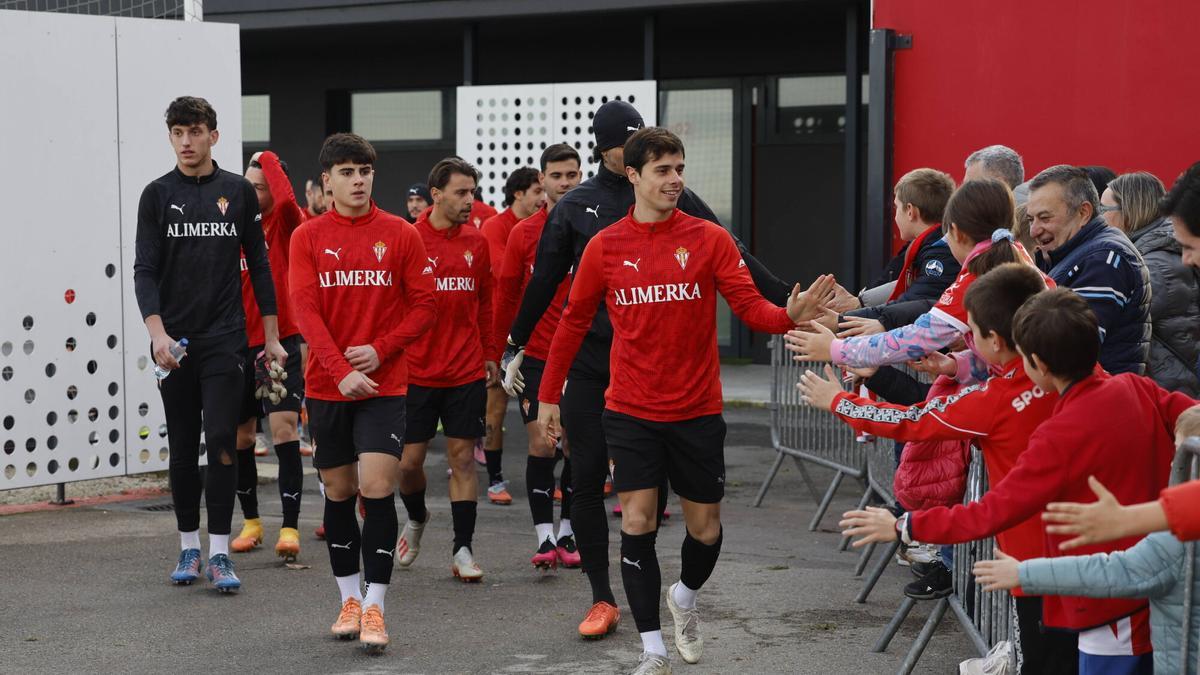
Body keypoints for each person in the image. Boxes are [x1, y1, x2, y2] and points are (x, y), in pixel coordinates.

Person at [538, 127, 831, 675]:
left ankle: (686, 598)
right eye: (663, 171)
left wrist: (789, 314)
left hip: (696, 410)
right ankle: (651, 651)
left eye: (680, 169)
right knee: (638, 521)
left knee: (705, 530)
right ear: (634, 176)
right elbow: (572, 322)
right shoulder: (606, 246)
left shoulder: (708, 239)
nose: (675, 180)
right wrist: (548, 395)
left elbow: (749, 308)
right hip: (628, 409)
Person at [839, 289, 1197, 674]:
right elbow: (1187, 415)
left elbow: (992, 510)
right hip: (1155, 581)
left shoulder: (1056, 433)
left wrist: (902, 524)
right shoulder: (1134, 386)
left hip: (1101, 602)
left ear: (1038, 364)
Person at [799, 263, 1077, 672]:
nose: (964, 344)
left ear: (996, 341)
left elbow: (914, 421)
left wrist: (838, 401)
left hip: (1032, 563)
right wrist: (956, 367)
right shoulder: (1087, 380)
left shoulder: (996, 400)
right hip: (1090, 556)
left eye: (971, 335)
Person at [289, 132, 437, 652]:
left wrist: (379, 349)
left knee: (376, 487)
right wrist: (337, 368)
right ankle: (348, 598)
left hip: (384, 385)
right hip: (329, 387)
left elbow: (423, 307)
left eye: (364, 171)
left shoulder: (401, 234)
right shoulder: (306, 238)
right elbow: (304, 311)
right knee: (338, 491)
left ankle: (375, 606)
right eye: (347, 172)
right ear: (327, 181)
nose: (357, 180)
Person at [134, 96, 282, 592]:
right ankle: (189, 547)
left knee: (221, 441)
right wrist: (156, 333)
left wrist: (274, 336)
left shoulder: (237, 192)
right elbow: (145, 271)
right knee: (181, 448)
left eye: (195, 132)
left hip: (226, 341)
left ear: (213, 136)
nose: (186, 142)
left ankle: (220, 554)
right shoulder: (156, 195)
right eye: (178, 132)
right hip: (174, 343)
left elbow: (259, 265)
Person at [787, 179, 1043, 371]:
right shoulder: (1016, 253)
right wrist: (957, 367)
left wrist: (837, 349)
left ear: (956, 232)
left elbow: (915, 337)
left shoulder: (977, 277)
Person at [394, 157, 499, 581]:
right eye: (461, 192)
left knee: (463, 462)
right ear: (435, 195)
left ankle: (463, 550)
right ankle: (417, 518)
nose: (469, 200)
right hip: (415, 372)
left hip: (465, 370)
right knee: (407, 464)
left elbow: (487, 302)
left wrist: (491, 352)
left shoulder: (478, 242)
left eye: (472, 192)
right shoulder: (408, 238)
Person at [975, 497, 1200, 674]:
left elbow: (1112, 572)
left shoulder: (1178, 538)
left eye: (1183, 451)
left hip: (1124, 638)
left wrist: (1023, 573)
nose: (1174, 461)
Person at [492, 143, 583, 569]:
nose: (565, 183)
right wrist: (501, 351)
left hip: (585, 357)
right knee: (541, 442)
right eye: (557, 176)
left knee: (577, 446)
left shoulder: (594, 230)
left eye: (572, 175)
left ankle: (569, 531)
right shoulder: (523, 234)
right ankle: (544, 537)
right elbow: (507, 296)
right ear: (541, 181)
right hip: (537, 356)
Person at [229, 151, 309, 561]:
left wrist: (266, 157)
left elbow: (288, 200)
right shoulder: (231, 224)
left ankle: (291, 527)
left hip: (279, 343)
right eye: (247, 184)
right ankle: (252, 522)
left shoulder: (282, 224)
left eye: (258, 187)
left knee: (283, 433)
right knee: (242, 437)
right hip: (236, 346)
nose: (250, 191)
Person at [1028, 164, 1150, 375]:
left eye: (1045, 218)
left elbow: (1070, 352)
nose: (1033, 231)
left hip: (1098, 402)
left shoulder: (1103, 260)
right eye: (1031, 219)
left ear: (1083, 212)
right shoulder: (1080, 252)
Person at [479, 167, 546, 503]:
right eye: (536, 191)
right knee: (496, 406)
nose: (542, 197)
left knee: (552, 409)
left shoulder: (546, 227)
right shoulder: (496, 226)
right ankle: (494, 479)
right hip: (503, 329)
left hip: (539, 330)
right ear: (519, 193)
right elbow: (507, 273)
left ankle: (556, 477)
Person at [826, 168, 959, 337]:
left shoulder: (940, 251)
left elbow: (913, 302)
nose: (895, 217)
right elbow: (903, 286)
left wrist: (842, 320)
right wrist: (858, 303)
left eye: (897, 208)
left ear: (910, 211)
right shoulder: (925, 246)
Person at [1100, 172, 1199, 395]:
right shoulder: (1149, 252)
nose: (1098, 218)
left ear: (1131, 211)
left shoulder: (1157, 262)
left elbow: (1114, 315)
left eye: (1103, 210)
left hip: (1171, 390)